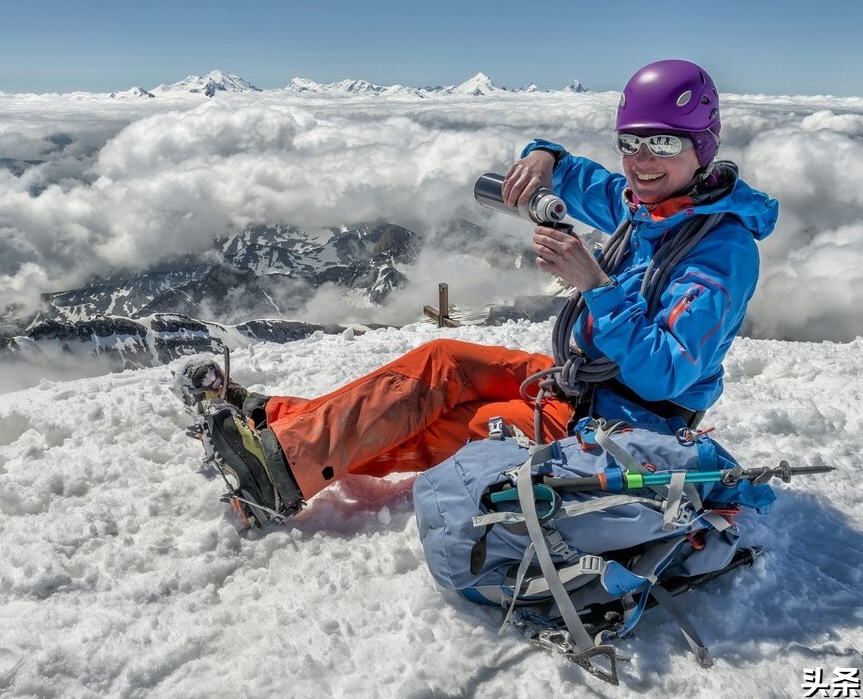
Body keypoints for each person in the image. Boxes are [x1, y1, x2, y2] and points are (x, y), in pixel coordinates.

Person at [175, 59, 778, 525]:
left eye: (664, 143)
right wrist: (541, 154)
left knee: (469, 421)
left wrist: (595, 285)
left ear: (704, 146)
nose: (641, 160)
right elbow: (567, 169)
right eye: (630, 142)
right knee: (442, 363)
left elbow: (666, 375)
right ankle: (274, 432)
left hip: (625, 424)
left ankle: (274, 457)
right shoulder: (644, 203)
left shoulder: (722, 251)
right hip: (583, 380)